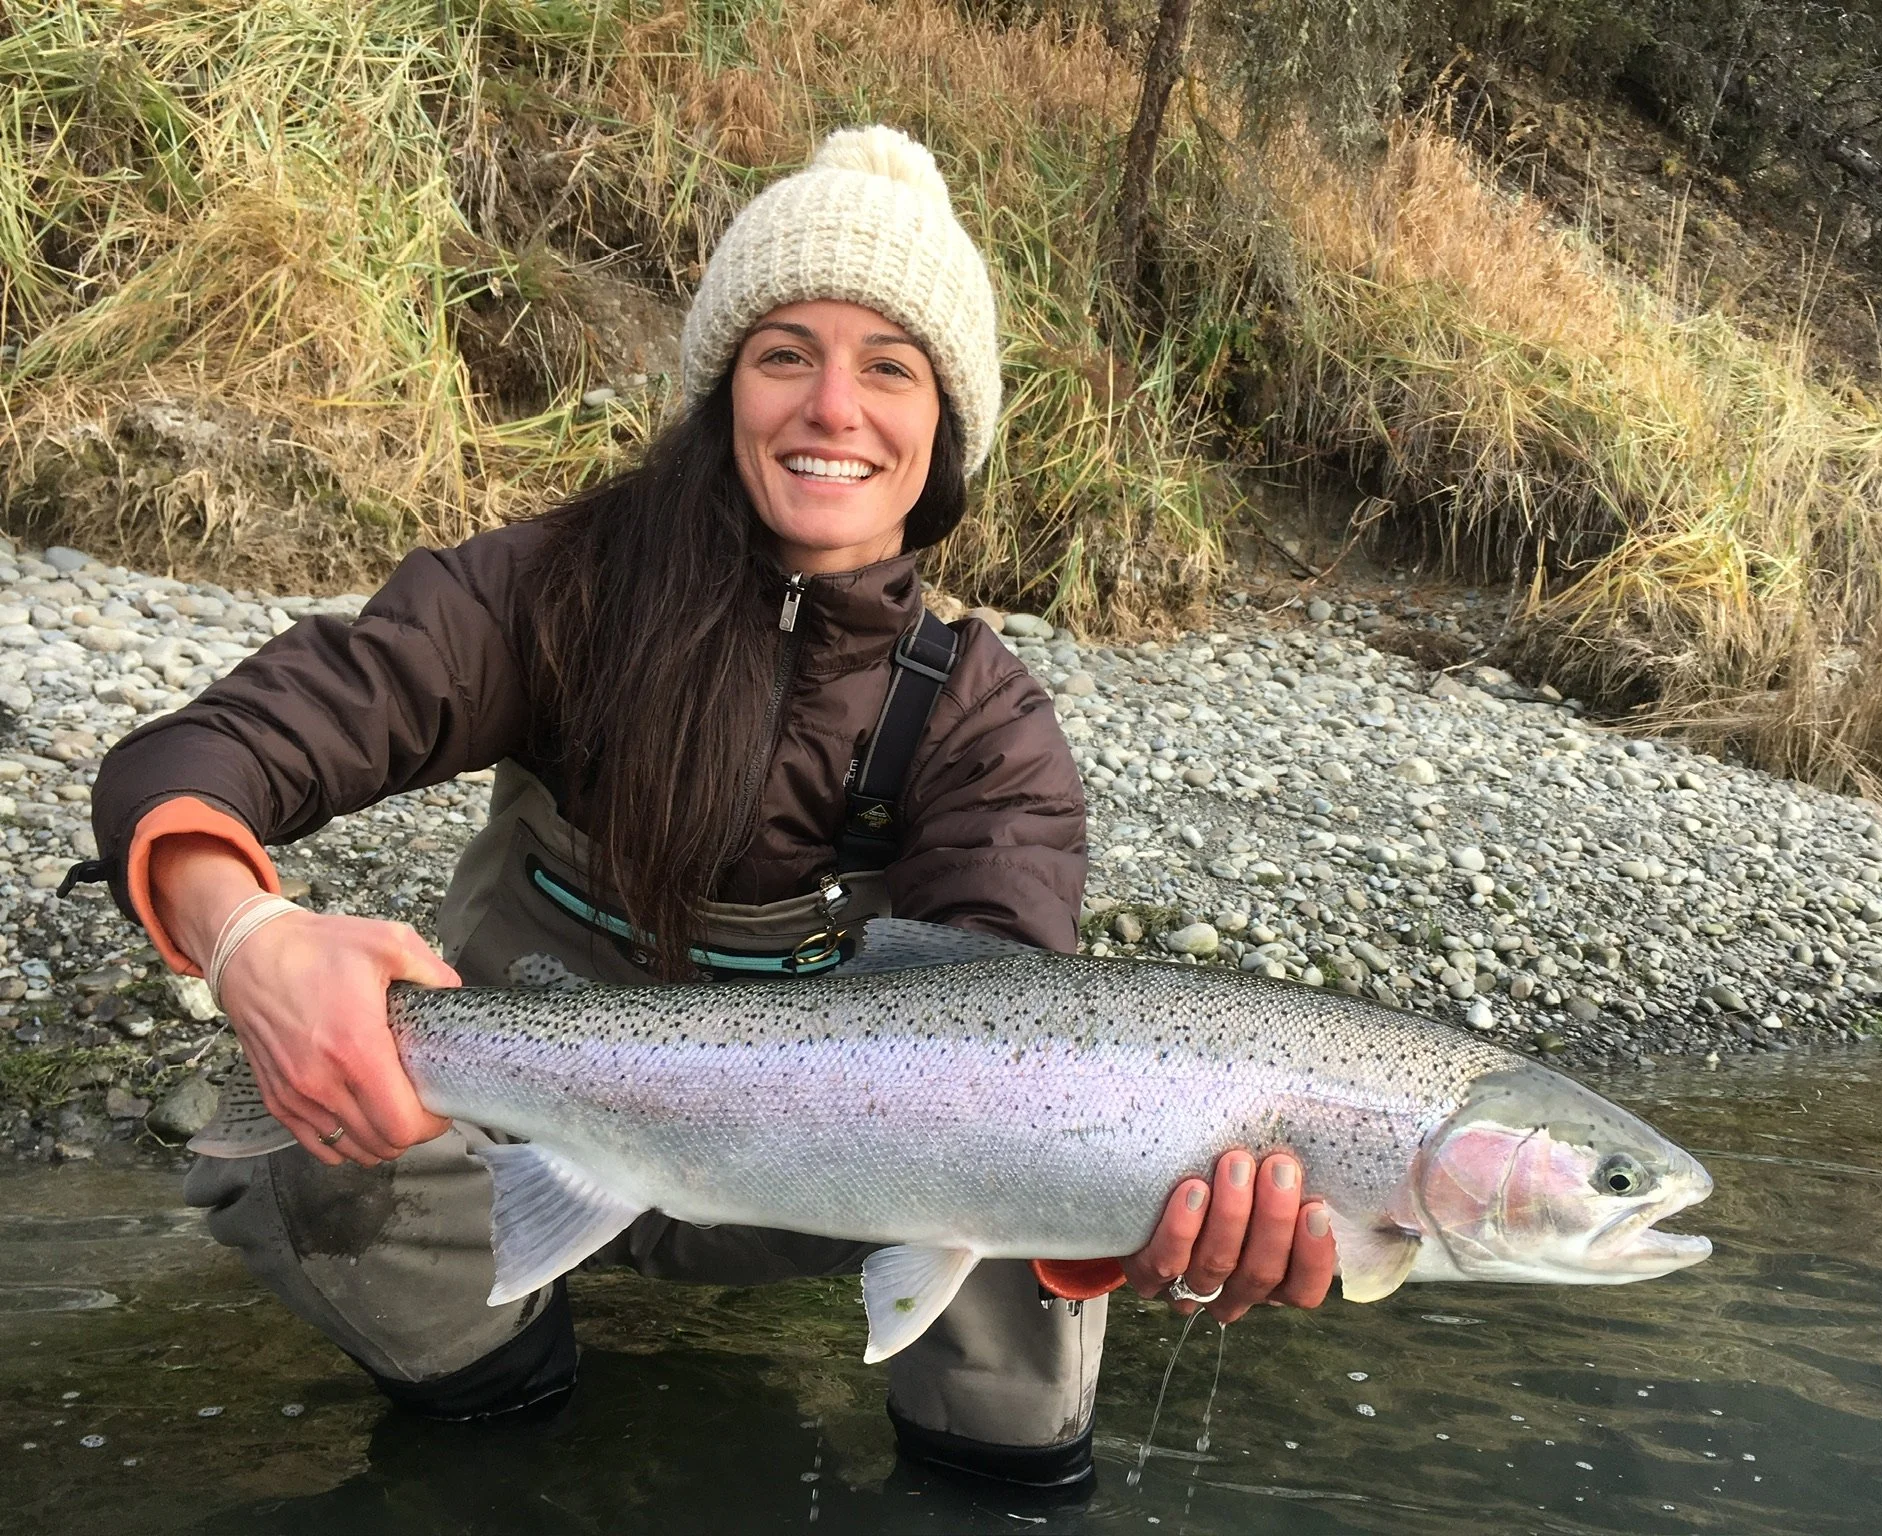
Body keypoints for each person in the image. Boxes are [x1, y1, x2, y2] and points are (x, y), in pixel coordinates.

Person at [85, 125, 1334, 1489]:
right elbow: (196, 757)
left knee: (1033, 1169)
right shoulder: (545, 593)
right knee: (288, 1162)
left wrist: (1149, 1216)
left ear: (945, 430)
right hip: (520, 1136)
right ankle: (499, 1405)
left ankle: (987, 1473)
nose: (833, 408)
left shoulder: (984, 724)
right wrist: (249, 940)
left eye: (892, 368)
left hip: (831, 1185)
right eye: (785, 351)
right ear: (724, 387)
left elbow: (1023, 1038)